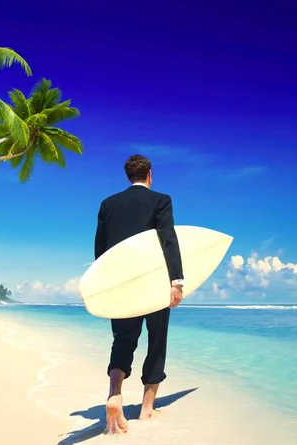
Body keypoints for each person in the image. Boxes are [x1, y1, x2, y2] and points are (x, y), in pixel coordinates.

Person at [94, 154, 184, 435]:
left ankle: (115, 393)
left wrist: (106, 287)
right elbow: (168, 239)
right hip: (155, 283)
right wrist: (176, 281)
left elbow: (101, 251)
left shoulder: (108, 205)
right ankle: (146, 409)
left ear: (128, 176)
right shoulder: (161, 200)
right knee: (157, 341)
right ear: (150, 175)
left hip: (122, 285)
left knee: (123, 339)